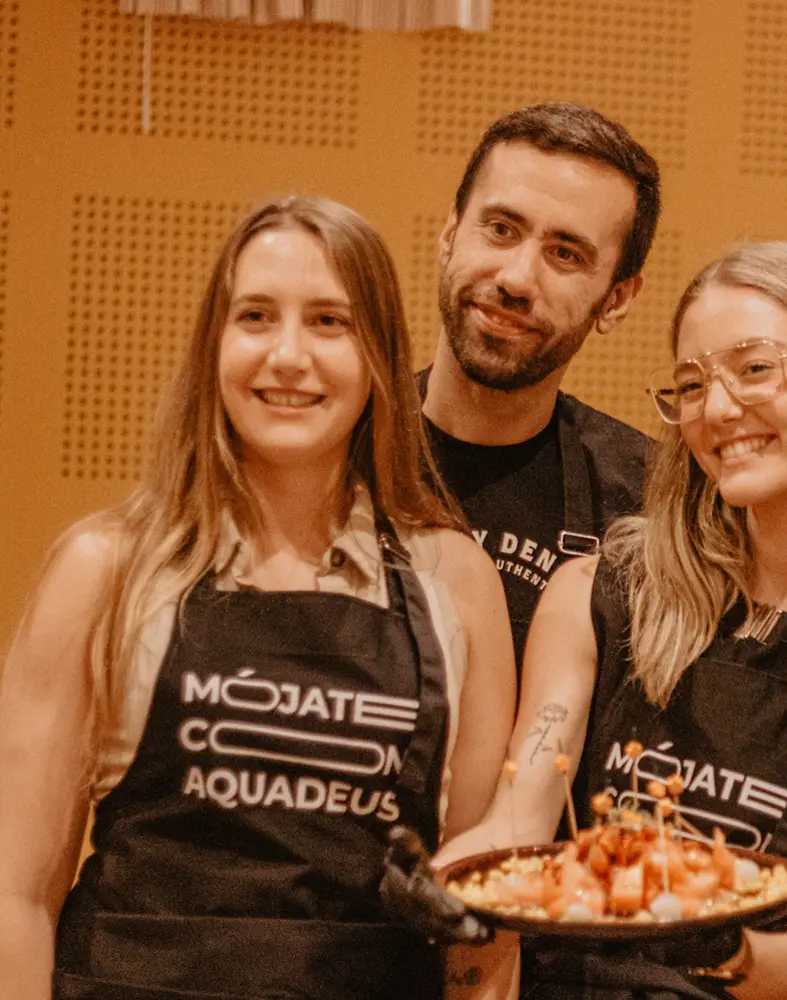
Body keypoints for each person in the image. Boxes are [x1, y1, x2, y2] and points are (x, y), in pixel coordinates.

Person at [436, 241, 787, 1000]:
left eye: (755, 368)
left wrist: (714, 942)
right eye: (692, 385)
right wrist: (436, 885)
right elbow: (518, 825)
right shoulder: (596, 592)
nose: (719, 410)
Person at [0, 196, 516, 999]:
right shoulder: (102, 571)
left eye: (329, 322)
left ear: (379, 354)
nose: (287, 355)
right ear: (214, 342)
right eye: (255, 317)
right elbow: (18, 897)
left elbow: (480, 920)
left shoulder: (459, 580)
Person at [421, 102, 661, 663]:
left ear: (617, 299)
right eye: (501, 230)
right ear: (450, 235)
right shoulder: (330, 452)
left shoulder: (653, 508)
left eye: (565, 254)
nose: (517, 279)